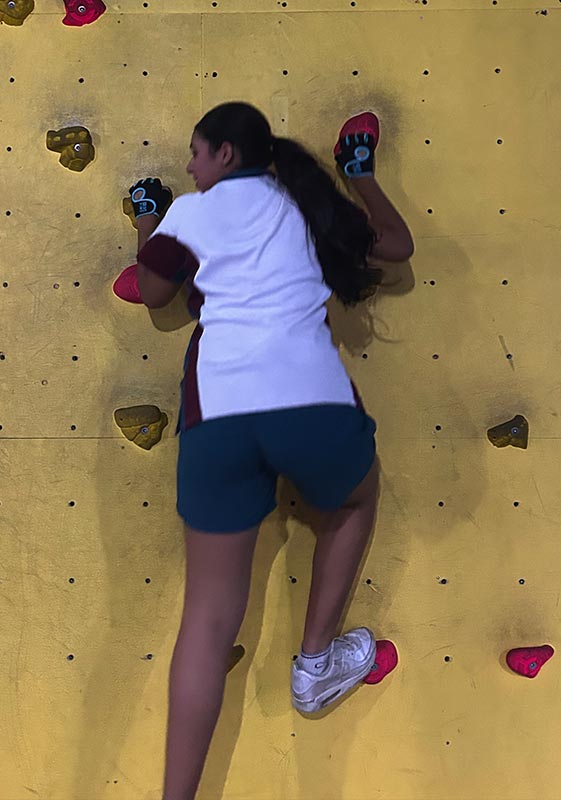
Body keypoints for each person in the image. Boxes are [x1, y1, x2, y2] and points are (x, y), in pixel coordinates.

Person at [125, 102, 415, 800]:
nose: (191, 166)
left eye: (197, 153)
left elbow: (152, 290)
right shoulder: (307, 209)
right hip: (310, 403)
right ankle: (316, 664)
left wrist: (148, 219)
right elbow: (396, 246)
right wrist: (358, 180)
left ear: (226, 155)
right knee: (354, 499)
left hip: (219, 412)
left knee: (208, 618)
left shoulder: (189, 216)